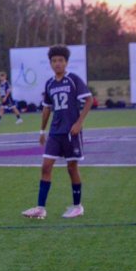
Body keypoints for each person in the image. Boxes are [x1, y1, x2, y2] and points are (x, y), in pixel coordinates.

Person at [22, 45, 93, 220]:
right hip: (55, 132)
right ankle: (40, 208)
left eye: (61, 60)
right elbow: (47, 109)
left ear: (66, 62)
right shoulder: (50, 84)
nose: (57, 63)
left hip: (71, 133)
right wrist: (42, 130)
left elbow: (89, 100)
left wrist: (79, 123)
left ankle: (77, 206)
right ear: (51, 63)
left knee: (71, 168)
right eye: (54, 61)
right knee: (46, 166)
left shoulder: (73, 80)